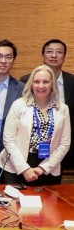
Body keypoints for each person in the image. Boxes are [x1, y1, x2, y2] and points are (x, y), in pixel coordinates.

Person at [0, 65, 71, 185]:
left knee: (48, 203)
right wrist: (24, 168)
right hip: (17, 165)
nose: (41, 86)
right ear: (31, 84)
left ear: (52, 84)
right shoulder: (19, 105)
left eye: (46, 82)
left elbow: (65, 143)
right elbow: (8, 139)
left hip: (49, 167)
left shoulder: (62, 109)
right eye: (37, 82)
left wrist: (44, 168)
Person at [22, 39, 74, 169]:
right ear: (43, 56)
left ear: (64, 56)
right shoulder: (26, 80)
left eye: (59, 52)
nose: (54, 55)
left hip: (65, 148)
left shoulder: (72, 82)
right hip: (30, 149)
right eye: (49, 52)